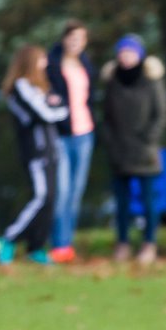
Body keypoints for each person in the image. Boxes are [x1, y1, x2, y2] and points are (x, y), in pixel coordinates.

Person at [0, 45, 67, 265]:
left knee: (50, 199)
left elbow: (61, 107)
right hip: (35, 152)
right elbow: (44, 113)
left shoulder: (42, 87)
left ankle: (35, 247)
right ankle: (8, 239)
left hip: (51, 150)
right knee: (40, 197)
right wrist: (54, 109)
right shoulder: (21, 87)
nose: (45, 64)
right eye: (41, 59)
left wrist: (55, 108)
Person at [103, 33, 166, 264]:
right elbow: (107, 117)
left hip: (145, 152)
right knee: (121, 203)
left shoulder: (152, 81)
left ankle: (149, 244)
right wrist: (112, 141)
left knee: (148, 202)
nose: (126, 57)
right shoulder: (112, 82)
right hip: (119, 151)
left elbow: (161, 115)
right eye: (122, 52)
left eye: (130, 52)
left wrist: (148, 139)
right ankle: (122, 244)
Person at [46, 20, 97, 263]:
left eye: (81, 39)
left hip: (84, 134)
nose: (76, 43)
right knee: (62, 191)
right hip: (61, 135)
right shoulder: (52, 64)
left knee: (75, 193)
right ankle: (57, 244)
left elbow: (90, 97)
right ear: (65, 39)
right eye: (72, 38)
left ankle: (68, 246)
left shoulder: (86, 65)